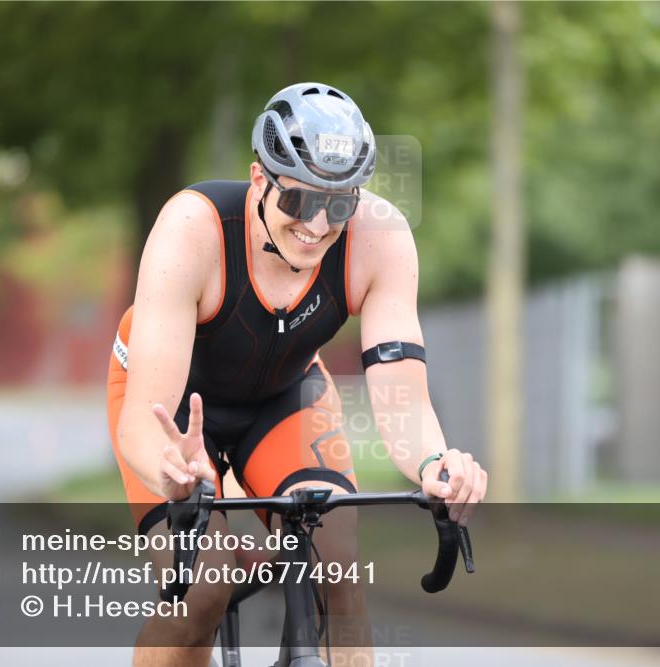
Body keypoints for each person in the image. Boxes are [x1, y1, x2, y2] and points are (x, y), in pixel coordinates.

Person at [106, 82, 488, 666]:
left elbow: (403, 406)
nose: (317, 224)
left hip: (282, 395)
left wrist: (438, 466)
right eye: (299, 201)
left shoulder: (378, 240)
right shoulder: (192, 229)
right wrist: (173, 469)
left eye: (338, 205)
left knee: (340, 572)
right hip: (173, 412)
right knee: (204, 589)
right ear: (260, 180)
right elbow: (142, 419)